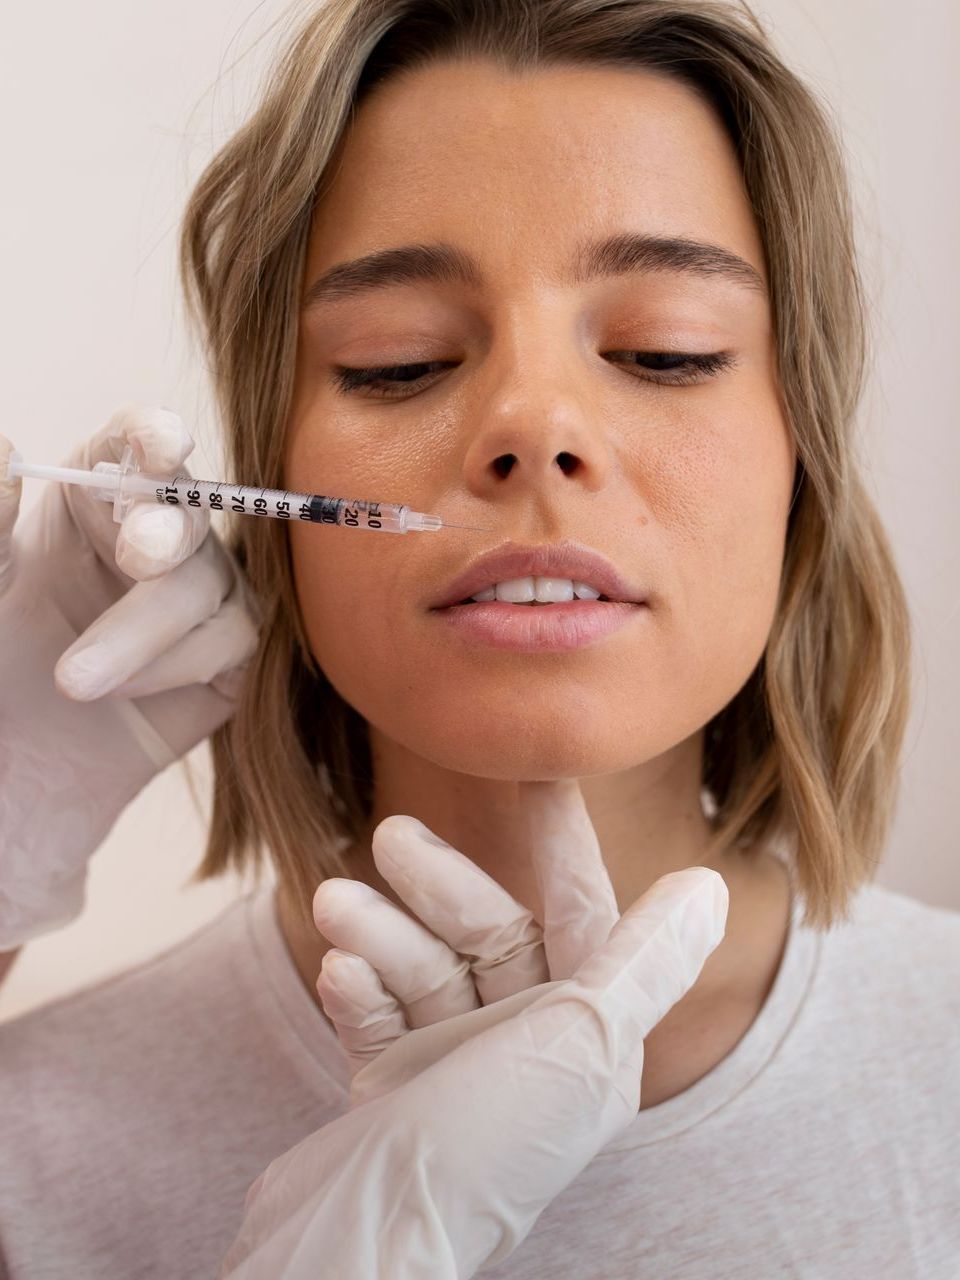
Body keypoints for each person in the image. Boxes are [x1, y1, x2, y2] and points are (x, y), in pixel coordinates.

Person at [1, 0, 958, 1275]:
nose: (534, 423)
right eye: (399, 362)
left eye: (666, 350)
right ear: (275, 483)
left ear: (804, 464)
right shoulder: (40, 1143)